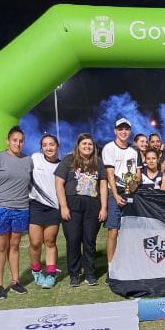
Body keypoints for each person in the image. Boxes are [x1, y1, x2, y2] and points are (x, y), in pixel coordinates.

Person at [0, 126, 32, 299]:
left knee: (15, 246)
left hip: (21, 209)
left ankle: (16, 282)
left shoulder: (28, 161)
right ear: (7, 141)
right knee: (1, 246)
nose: (18, 143)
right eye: (14, 140)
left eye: (21, 141)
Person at [55, 133, 108, 287]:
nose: (87, 146)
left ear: (94, 147)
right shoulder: (68, 160)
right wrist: (64, 206)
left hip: (93, 205)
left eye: (90, 144)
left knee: (89, 241)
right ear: (78, 146)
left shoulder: (98, 162)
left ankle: (90, 274)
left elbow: (103, 185)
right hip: (72, 205)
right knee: (73, 240)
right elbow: (59, 183)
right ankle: (74, 274)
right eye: (84, 144)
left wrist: (104, 207)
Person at [102, 118, 142, 283]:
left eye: (126, 129)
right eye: (120, 129)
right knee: (113, 231)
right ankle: (111, 268)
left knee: (131, 231)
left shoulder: (134, 151)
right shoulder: (109, 148)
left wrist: (133, 186)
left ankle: (129, 265)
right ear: (115, 131)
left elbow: (138, 174)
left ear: (130, 131)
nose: (123, 132)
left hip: (131, 192)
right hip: (115, 192)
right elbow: (110, 174)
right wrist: (116, 194)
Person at [28, 134, 62, 289]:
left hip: (53, 208)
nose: (48, 148)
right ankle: (36, 270)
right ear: (41, 148)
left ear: (57, 146)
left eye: (51, 144)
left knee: (50, 241)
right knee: (35, 243)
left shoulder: (62, 166)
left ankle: (51, 274)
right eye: (45, 145)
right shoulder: (35, 158)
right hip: (35, 206)